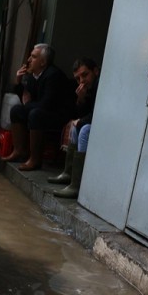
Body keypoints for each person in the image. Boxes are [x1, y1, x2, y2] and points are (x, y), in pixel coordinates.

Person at [4, 43, 74, 171]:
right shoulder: (33, 76)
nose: (29, 60)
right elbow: (25, 100)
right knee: (16, 110)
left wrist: (29, 104)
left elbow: (46, 104)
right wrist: (18, 82)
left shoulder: (53, 75)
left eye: (33, 57)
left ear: (42, 62)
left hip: (59, 114)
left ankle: (35, 159)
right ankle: (19, 151)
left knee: (35, 114)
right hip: (40, 110)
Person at [49, 57, 99, 199]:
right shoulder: (87, 89)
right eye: (78, 78)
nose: (81, 81)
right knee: (74, 126)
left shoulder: (100, 85)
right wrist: (81, 99)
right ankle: (68, 173)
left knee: (83, 130)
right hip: (93, 121)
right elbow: (81, 113)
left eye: (85, 75)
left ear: (95, 71)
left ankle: (75, 185)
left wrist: (81, 121)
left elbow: (97, 114)